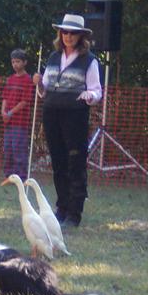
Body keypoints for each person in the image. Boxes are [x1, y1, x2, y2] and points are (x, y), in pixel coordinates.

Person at [33, 14, 102, 228]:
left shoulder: (89, 60)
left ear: (81, 36)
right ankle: (61, 208)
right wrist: (38, 83)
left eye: (72, 33)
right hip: (52, 113)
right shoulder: (53, 57)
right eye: (65, 32)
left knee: (75, 163)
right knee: (58, 163)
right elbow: (44, 91)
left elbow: (96, 90)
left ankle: (74, 213)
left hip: (75, 115)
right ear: (60, 34)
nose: (68, 36)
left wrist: (88, 96)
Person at [1, 48, 34, 178]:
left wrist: (10, 113)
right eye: (13, 62)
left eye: (18, 61)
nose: (15, 64)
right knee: (8, 148)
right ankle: (8, 174)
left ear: (24, 62)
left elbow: (25, 101)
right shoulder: (10, 79)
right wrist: (3, 112)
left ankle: (21, 175)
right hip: (8, 121)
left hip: (20, 122)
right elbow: (4, 97)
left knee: (18, 148)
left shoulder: (27, 80)